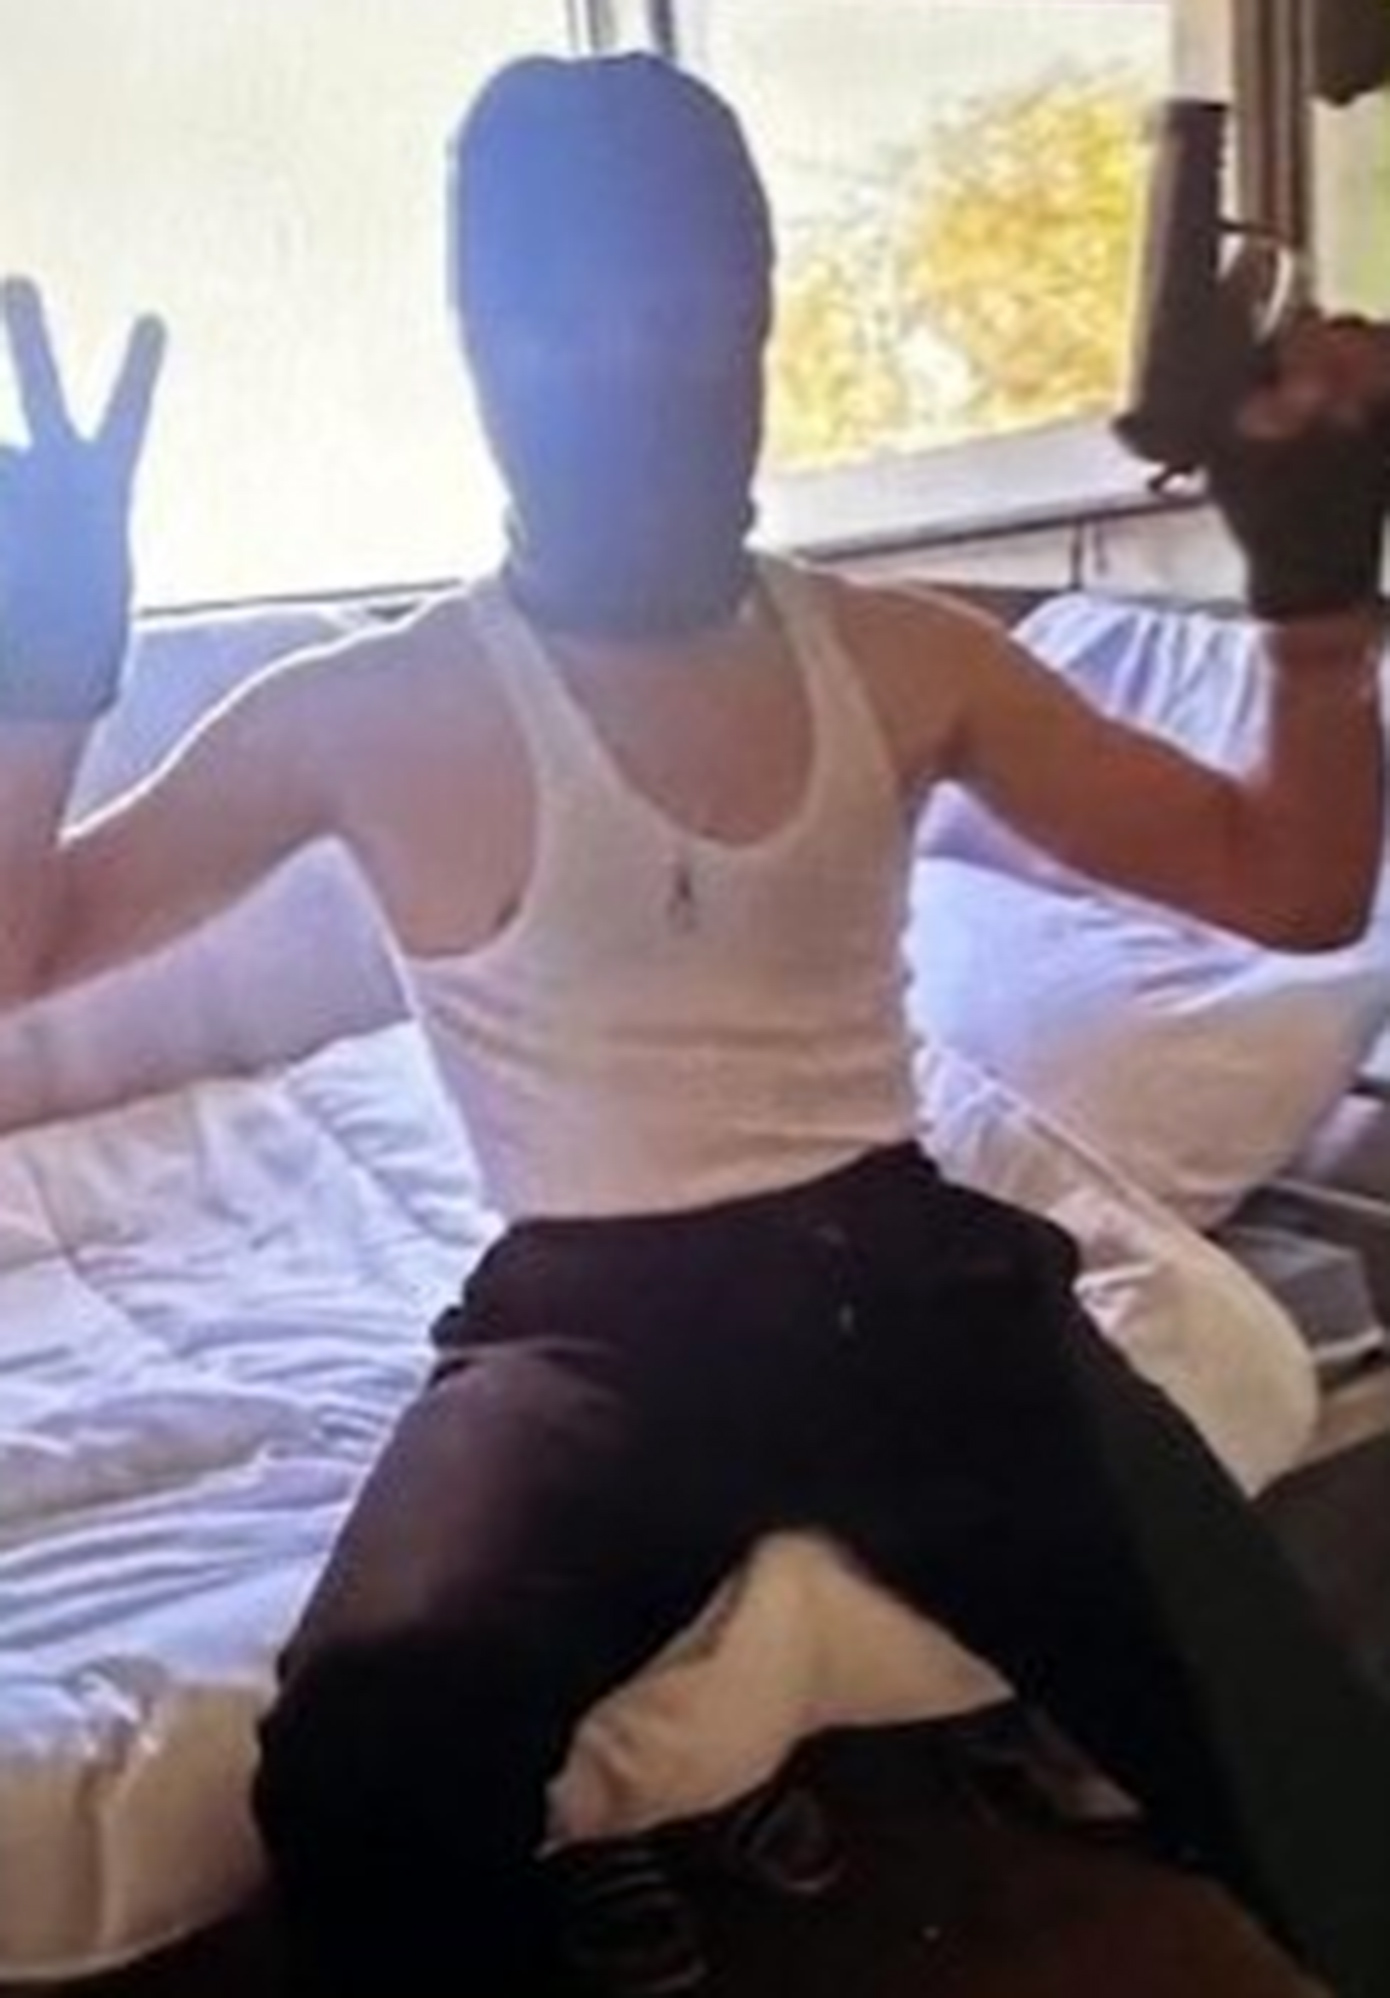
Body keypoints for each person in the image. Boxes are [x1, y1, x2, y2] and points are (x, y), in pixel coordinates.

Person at [2, 48, 1390, 1998]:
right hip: (591, 1328)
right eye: (572, 320)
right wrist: (42, 679)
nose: (642, 366)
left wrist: (1315, 609)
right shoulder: (373, 706)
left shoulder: (901, 655)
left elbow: (1290, 889)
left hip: (914, 1290)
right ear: (479, 350)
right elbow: (30, 947)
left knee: (1295, 1747)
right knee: (371, 1741)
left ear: (759, 320)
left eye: (693, 310)